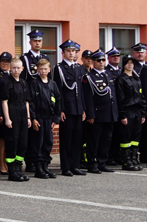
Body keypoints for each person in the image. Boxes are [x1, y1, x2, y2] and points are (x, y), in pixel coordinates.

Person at [82, 51, 117, 174]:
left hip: (109, 113)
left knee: (106, 140)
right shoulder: (89, 77)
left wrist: (115, 113)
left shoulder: (108, 74)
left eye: (103, 60)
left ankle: (102, 162)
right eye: (98, 60)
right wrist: (90, 114)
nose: (101, 62)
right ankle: (92, 163)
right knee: (94, 140)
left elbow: (113, 96)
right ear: (93, 62)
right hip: (97, 114)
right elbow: (88, 98)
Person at [56, 41, 86, 177]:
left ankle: (75, 165)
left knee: (77, 139)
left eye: (73, 51)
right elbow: (58, 91)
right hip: (67, 108)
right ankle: (66, 167)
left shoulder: (79, 68)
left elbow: (81, 90)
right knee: (66, 139)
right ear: (63, 53)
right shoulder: (59, 68)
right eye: (68, 51)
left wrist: (83, 109)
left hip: (78, 108)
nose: (71, 53)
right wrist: (61, 109)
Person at [0, 58, 32, 181]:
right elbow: (4, 102)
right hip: (12, 112)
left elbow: (27, 101)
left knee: (22, 143)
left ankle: (19, 169)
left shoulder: (24, 83)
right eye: (13, 68)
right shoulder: (6, 82)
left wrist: (28, 117)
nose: (16, 70)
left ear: (22, 69)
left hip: (23, 113)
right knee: (12, 142)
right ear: (10, 68)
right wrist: (7, 119)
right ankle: (12, 171)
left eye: (18, 68)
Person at [30, 57, 60, 178]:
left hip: (49, 118)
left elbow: (58, 101)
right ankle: (38, 168)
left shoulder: (53, 84)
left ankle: (45, 166)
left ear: (49, 70)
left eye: (45, 69)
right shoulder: (34, 84)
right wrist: (33, 118)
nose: (43, 71)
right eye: (41, 69)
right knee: (38, 143)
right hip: (39, 118)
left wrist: (56, 119)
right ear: (37, 70)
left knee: (48, 142)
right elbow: (31, 102)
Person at [114, 56, 144, 171]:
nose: (130, 65)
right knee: (126, 137)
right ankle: (126, 161)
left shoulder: (137, 78)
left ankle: (133, 159)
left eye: (132, 63)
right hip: (127, 110)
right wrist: (123, 115)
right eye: (128, 63)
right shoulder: (121, 79)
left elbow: (141, 96)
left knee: (135, 137)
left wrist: (143, 112)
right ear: (124, 65)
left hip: (137, 110)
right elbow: (120, 98)